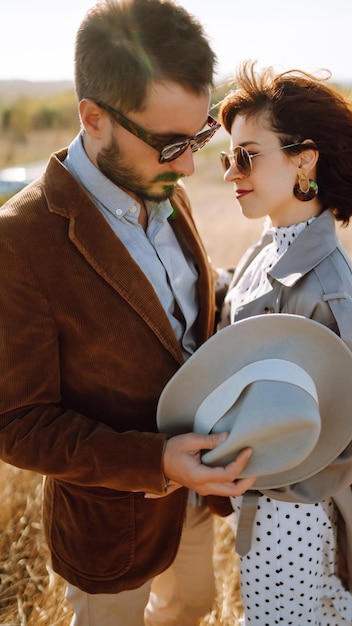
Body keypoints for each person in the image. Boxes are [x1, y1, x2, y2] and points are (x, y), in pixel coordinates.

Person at [0, 2, 255, 625]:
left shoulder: (164, 181)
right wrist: (155, 463)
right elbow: (17, 422)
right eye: (172, 144)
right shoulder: (18, 241)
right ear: (93, 117)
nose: (191, 165)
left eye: (199, 138)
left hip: (199, 493)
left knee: (192, 606)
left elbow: (177, 318)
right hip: (110, 525)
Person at [217, 61, 352, 626]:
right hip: (263, 504)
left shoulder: (325, 283)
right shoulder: (272, 243)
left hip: (291, 515)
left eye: (248, 155)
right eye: (229, 157)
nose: (231, 173)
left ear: (304, 159)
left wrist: (280, 483)